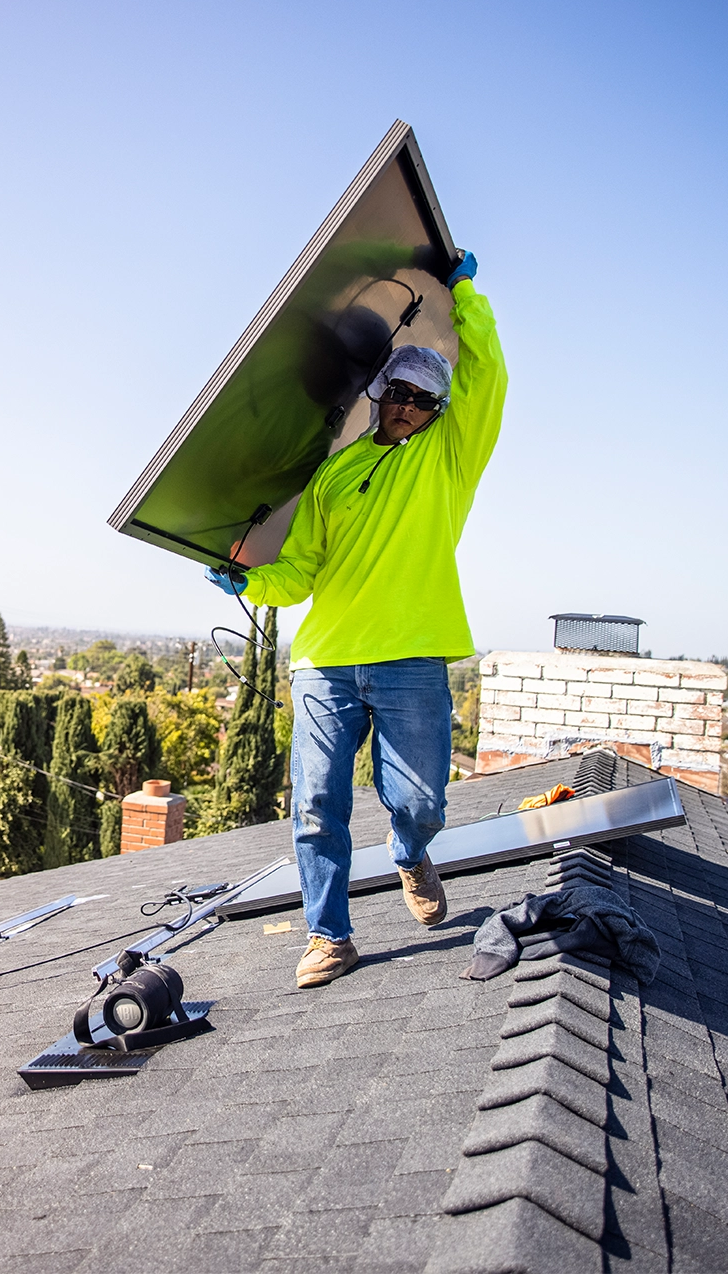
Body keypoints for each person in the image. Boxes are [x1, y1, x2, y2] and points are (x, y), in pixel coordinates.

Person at [206, 249, 505, 988]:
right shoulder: (334, 474)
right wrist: (249, 578)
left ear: (437, 412)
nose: (408, 405)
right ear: (379, 393)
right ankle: (329, 936)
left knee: (419, 800)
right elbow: (300, 571)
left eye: (423, 399)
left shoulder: (448, 458)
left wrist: (466, 295)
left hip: (412, 657)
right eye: (398, 391)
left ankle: (411, 853)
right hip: (326, 662)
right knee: (315, 803)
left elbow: (487, 377)